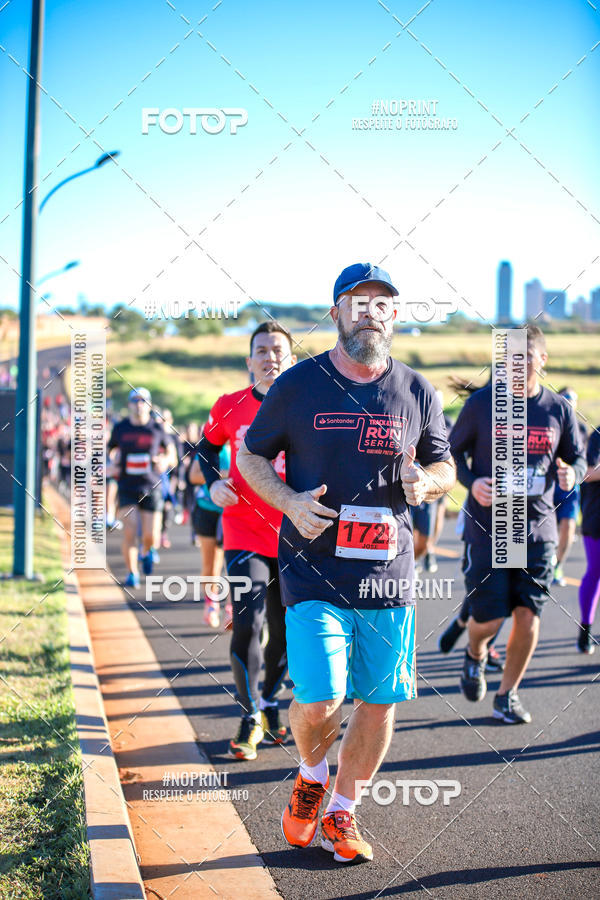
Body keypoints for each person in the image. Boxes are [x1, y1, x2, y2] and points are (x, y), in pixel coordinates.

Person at [237, 262, 455, 864]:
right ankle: (311, 774)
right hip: (313, 570)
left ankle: (341, 810)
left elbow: (444, 465)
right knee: (321, 699)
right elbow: (251, 456)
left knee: (379, 703)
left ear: (395, 315)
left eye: (381, 304)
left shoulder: (417, 391)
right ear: (336, 313)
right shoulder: (298, 385)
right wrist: (288, 501)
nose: (370, 313)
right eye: (357, 303)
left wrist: (428, 482)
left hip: (389, 577)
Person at [449, 326, 586, 724]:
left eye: (525, 356)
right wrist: (472, 482)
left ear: (542, 360)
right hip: (491, 527)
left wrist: (572, 474)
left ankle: (507, 695)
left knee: (528, 615)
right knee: (490, 618)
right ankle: (475, 652)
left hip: (538, 529)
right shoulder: (482, 404)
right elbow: (450, 453)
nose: (516, 364)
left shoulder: (558, 409)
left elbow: (577, 457)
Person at [197, 322, 297, 760]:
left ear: (291, 359)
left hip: (295, 534)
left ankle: (271, 700)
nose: (270, 357)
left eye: (278, 350)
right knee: (249, 621)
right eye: (262, 350)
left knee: (286, 629)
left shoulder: (307, 406)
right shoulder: (229, 405)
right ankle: (250, 713)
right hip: (243, 530)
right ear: (249, 361)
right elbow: (204, 447)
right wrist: (213, 482)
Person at [108, 388, 176, 588]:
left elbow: (172, 455)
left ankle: (148, 551)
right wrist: (112, 462)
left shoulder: (156, 428)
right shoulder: (121, 428)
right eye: (135, 401)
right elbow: (110, 450)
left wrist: (164, 461)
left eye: (142, 401)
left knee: (150, 535)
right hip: (127, 486)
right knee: (129, 531)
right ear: (129, 404)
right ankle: (132, 573)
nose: (139, 405)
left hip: (151, 486)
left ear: (149, 405)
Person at [189, 432, 231, 629]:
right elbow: (193, 476)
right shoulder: (211, 447)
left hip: (233, 512)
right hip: (207, 509)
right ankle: (211, 605)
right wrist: (221, 474)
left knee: (233, 564)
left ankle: (231, 609)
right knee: (210, 564)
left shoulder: (243, 445)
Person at [552, 388, 587, 585]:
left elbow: (583, 460)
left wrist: (575, 473)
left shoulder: (580, 430)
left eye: (573, 399)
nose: (569, 402)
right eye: (565, 398)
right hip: (548, 484)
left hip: (570, 487)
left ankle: (557, 565)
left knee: (569, 525)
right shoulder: (549, 423)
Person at [577, 424, 600, 653]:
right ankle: (585, 629)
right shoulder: (597, 436)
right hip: (596, 517)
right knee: (596, 571)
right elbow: (585, 473)